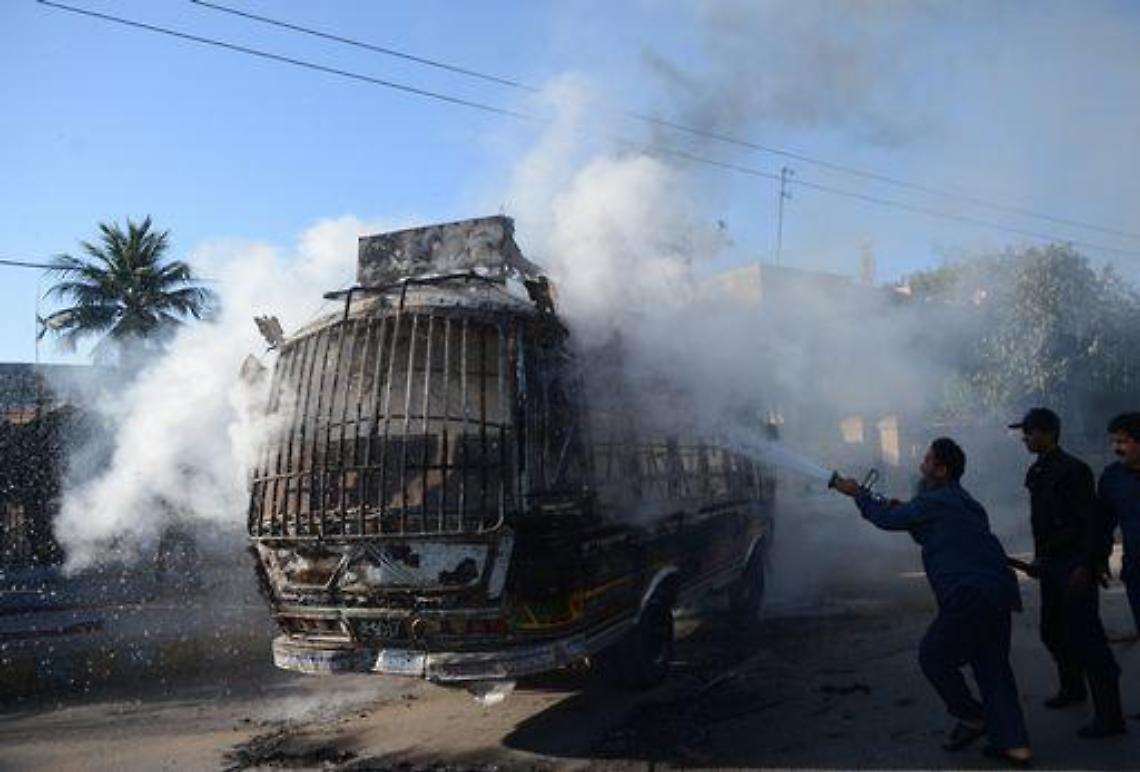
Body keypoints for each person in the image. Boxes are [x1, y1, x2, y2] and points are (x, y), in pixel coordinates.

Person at [832, 438, 1031, 767]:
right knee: (993, 668)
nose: (920, 465)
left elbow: (887, 520)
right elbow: (930, 530)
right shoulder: (966, 502)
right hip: (998, 592)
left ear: (941, 470)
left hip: (968, 594)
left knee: (934, 656)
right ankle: (1015, 745)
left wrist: (858, 494)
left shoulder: (934, 501)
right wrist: (906, 512)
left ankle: (972, 717)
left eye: (926, 460)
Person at [1010, 407, 1124, 737]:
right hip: (1052, 564)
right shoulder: (1038, 471)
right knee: (1053, 631)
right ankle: (1073, 688)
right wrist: (1039, 558)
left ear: (1048, 433)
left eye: (1030, 431)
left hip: (1075, 565)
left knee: (1087, 639)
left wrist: (1087, 566)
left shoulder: (1074, 470)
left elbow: (1091, 523)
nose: (1025, 438)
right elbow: (1041, 523)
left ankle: (1110, 717)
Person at [1099, 412, 1140, 640]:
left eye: (1123, 441)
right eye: (1114, 441)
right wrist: (1099, 557)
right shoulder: (1113, 479)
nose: (1116, 448)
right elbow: (1103, 523)